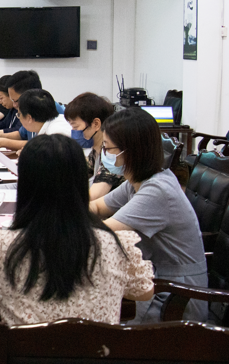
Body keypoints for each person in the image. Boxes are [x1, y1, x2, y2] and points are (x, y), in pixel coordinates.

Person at [0, 135, 154, 325]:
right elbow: (144, 292)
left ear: (26, 185)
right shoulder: (113, 244)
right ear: (80, 182)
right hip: (97, 353)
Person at [90, 108, 208, 324]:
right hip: (158, 279)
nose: (104, 153)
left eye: (108, 148)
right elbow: (97, 207)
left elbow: (104, 231)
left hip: (176, 298)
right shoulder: (139, 181)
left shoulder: (157, 191)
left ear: (131, 151)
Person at [0, 71, 65, 151]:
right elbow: (21, 134)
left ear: (29, 95)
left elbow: (45, 145)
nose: (14, 105)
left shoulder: (49, 108)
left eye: (16, 100)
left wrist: (2, 142)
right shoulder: (28, 109)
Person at [64, 92, 125, 200]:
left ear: (96, 124)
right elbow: (75, 173)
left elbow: (93, 196)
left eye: (75, 127)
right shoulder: (96, 151)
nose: (73, 132)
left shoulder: (112, 155)